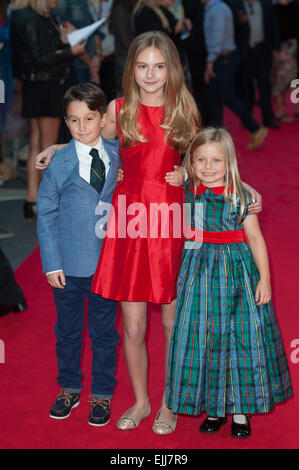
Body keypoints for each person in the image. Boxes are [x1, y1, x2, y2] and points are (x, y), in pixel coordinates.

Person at [165, 127, 293, 438]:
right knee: (204, 340)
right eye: (201, 161)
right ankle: (216, 408)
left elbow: (256, 239)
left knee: (239, 340)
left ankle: (239, 411)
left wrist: (265, 279)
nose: (208, 168)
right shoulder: (187, 191)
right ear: (191, 163)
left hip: (236, 275)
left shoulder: (242, 197)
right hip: (197, 274)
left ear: (229, 162)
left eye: (216, 161)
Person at [36, 83, 121, 425]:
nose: (82, 127)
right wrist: (51, 263)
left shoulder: (118, 154)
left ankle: (101, 393)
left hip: (109, 264)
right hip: (68, 267)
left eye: (90, 118)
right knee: (68, 332)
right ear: (65, 122)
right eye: (74, 120)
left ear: (103, 119)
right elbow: (46, 212)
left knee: (104, 333)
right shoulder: (60, 162)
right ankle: (69, 387)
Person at [10, 0, 86, 219]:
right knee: (48, 146)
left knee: (37, 142)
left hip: (38, 85)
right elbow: (39, 57)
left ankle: (33, 199)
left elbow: (41, 53)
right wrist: (69, 50)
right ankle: (48, 201)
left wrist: (64, 42)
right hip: (47, 85)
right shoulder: (30, 18)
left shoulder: (35, 17)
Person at [202, 0, 269, 150]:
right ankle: (215, 139)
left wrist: (210, 60)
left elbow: (217, 37)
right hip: (222, 58)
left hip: (223, 58)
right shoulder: (214, 7)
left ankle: (255, 127)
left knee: (226, 97)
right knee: (215, 98)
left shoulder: (218, 9)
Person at [228, 0, 281, 129]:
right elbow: (229, 28)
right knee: (246, 86)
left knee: (264, 84)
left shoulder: (266, 4)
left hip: (263, 50)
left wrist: (276, 48)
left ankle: (268, 118)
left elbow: (273, 25)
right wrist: (239, 22)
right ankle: (248, 119)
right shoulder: (235, 5)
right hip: (244, 52)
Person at [53, 0, 104, 84]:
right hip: (78, 66)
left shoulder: (82, 1)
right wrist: (91, 64)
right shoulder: (61, 3)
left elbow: (94, 29)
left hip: (92, 61)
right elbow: (69, 39)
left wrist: (98, 54)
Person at [272, 0, 298, 122]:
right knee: (283, 78)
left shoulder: (295, 6)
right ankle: (280, 111)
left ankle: (297, 109)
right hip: (281, 50)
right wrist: (276, 50)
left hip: (295, 48)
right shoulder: (274, 9)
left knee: (296, 79)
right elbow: (270, 31)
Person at [110, 0, 137, 97]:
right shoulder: (120, 10)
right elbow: (126, 42)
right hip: (125, 61)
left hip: (128, 58)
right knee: (126, 98)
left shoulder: (127, 9)